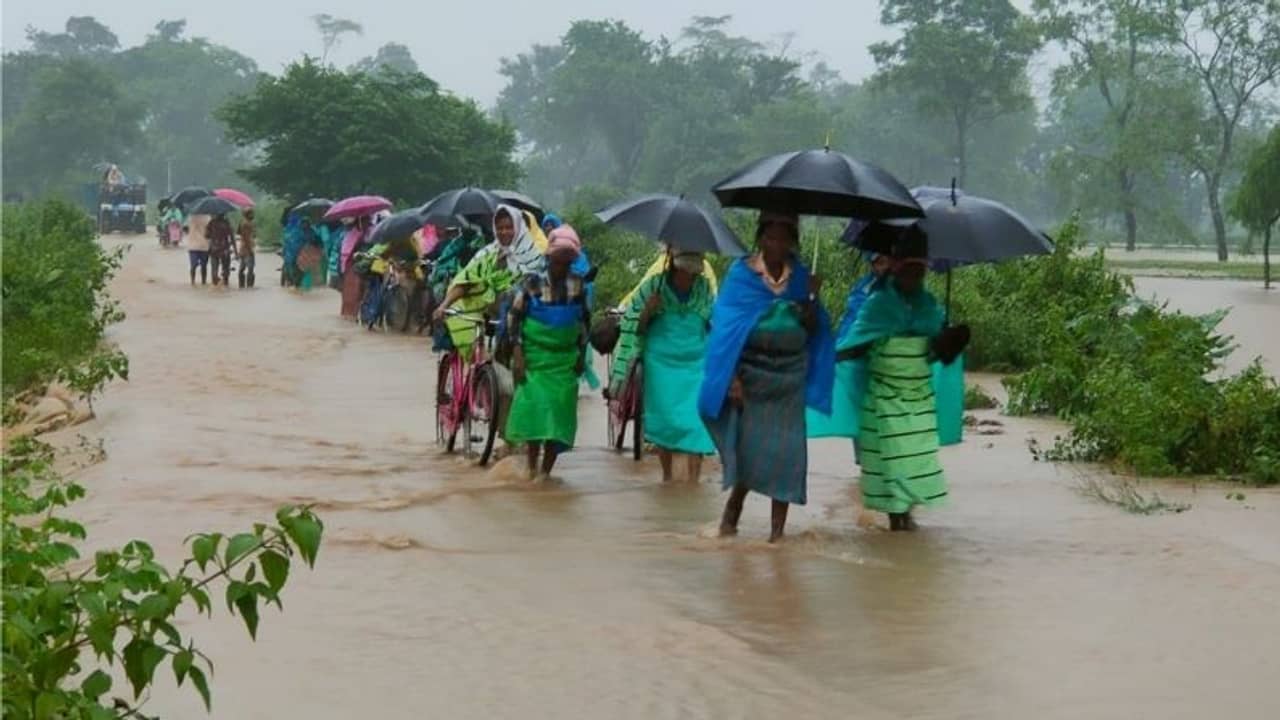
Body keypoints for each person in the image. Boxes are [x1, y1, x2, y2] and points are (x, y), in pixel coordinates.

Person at [699, 210, 834, 542]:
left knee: (787, 456)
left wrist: (812, 302)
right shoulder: (741, 276)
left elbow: (814, 329)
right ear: (761, 238)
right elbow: (725, 333)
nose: (777, 244)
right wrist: (731, 378)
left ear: (792, 242)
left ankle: (777, 536)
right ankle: (731, 515)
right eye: (771, 236)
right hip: (752, 376)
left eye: (784, 237)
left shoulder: (802, 278)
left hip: (789, 378)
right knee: (749, 452)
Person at [841, 227, 969, 531]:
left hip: (919, 397)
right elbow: (853, 345)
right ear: (896, 268)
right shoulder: (877, 304)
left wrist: (948, 339)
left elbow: (936, 352)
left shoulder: (929, 306)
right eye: (908, 269)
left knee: (918, 459)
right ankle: (899, 520)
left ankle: (904, 518)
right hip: (884, 398)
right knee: (893, 463)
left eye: (919, 271)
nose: (914, 277)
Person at [611, 249, 716, 482]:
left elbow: (712, 322)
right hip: (661, 363)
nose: (688, 276)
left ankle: (694, 480)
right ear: (675, 266)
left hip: (695, 362)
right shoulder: (653, 286)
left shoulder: (704, 288)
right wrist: (648, 310)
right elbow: (637, 327)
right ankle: (667, 477)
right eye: (684, 271)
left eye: (692, 272)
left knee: (696, 422)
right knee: (665, 421)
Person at [505, 225, 591, 479]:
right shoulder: (532, 283)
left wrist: (581, 356)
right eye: (559, 256)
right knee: (535, 415)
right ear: (550, 256)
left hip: (564, 362)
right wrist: (518, 353)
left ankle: (546, 472)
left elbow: (584, 323)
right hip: (534, 359)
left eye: (568, 257)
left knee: (558, 417)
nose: (563, 262)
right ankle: (532, 468)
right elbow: (515, 319)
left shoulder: (578, 285)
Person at [432, 205, 544, 360]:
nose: (504, 232)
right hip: (483, 315)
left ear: (519, 227)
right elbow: (467, 280)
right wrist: (444, 305)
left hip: (519, 321)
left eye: (509, 227)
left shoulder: (534, 256)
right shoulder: (488, 253)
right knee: (482, 360)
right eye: (500, 228)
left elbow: (540, 288)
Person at [807, 247, 893, 439]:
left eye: (887, 261)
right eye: (879, 262)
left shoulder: (902, 288)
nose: (883, 267)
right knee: (864, 420)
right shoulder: (864, 288)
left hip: (890, 366)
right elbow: (853, 324)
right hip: (862, 362)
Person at [619, 246, 719, 308]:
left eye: (693, 274)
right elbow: (637, 298)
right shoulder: (659, 270)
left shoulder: (705, 279)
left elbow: (713, 302)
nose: (689, 277)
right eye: (684, 271)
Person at [206, 213, 234, 287]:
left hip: (215, 249)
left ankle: (217, 286)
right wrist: (236, 251)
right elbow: (232, 237)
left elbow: (206, 235)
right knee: (225, 272)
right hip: (224, 250)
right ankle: (224, 286)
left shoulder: (211, 223)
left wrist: (213, 234)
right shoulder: (226, 223)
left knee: (215, 272)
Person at [186, 213, 212, 286]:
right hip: (204, 245)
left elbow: (186, 228)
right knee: (204, 266)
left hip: (193, 245)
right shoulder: (208, 218)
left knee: (193, 266)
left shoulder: (190, 217)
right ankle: (203, 282)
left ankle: (192, 283)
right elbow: (209, 232)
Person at [237, 208, 256, 289]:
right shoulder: (247, 224)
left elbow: (238, 233)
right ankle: (249, 287)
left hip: (243, 249)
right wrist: (250, 250)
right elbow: (246, 238)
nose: (253, 215)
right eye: (251, 214)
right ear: (247, 215)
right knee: (250, 268)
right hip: (247, 249)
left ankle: (242, 286)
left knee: (242, 267)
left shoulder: (243, 223)